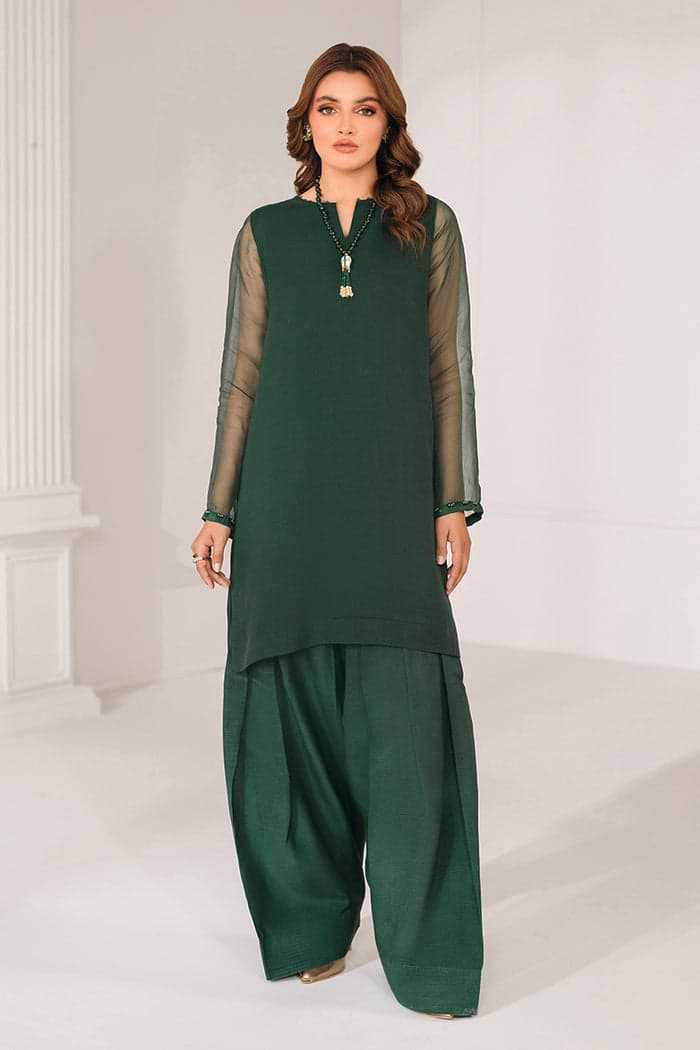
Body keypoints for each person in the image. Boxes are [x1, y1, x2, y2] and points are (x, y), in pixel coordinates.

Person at [190, 42, 485, 1020]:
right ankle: (312, 928)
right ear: (305, 123)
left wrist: (452, 500)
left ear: (388, 122)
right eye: (328, 106)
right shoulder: (265, 233)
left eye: (364, 107)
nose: (345, 124)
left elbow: (447, 371)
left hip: (391, 503)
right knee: (287, 723)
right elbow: (241, 379)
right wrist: (219, 509)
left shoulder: (429, 228)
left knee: (408, 734)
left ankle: (429, 957)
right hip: (285, 505)